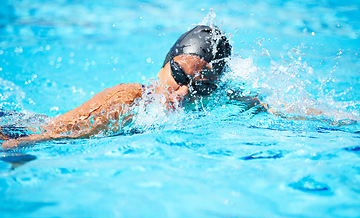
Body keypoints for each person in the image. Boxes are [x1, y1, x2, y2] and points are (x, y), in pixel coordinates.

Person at [1, 25, 240, 149]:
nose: (183, 93)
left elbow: (250, 101)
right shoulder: (129, 99)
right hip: (15, 131)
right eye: (179, 75)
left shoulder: (211, 101)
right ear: (164, 65)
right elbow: (45, 135)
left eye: (203, 88)